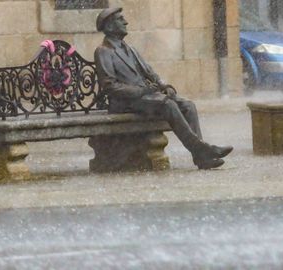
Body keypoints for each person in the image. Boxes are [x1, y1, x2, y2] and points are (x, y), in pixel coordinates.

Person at [94, 7, 233, 170]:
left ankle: (201, 157)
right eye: (120, 19)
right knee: (167, 104)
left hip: (145, 98)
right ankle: (203, 150)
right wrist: (140, 91)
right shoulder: (103, 51)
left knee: (188, 105)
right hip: (125, 102)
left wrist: (163, 85)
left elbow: (150, 72)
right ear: (109, 26)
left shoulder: (130, 49)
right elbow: (109, 86)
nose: (126, 22)